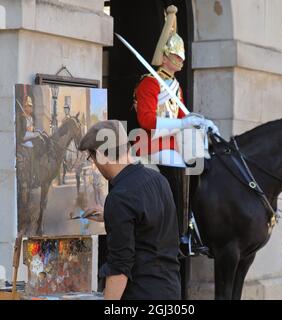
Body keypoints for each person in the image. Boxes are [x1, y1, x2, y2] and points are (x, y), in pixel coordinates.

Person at [133, 5, 219, 255]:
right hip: (152, 142)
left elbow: (182, 116)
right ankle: (176, 230)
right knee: (180, 167)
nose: (181, 61)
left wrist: (200, 122)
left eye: (181, 57)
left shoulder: (174, 85)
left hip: (173, 141)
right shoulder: (149, 83)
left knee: (201, 163)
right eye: (176, 56)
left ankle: (191, 226)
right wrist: (182, 124)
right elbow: (147, 120)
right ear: (166, 56)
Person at [78, 120, 181, 300]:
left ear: (101, 155)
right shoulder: (158, 180)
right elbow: (150, 223)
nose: (94, 164)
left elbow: (119, 267)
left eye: (92, 158)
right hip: (170, 289)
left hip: (141, 293)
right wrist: (109, 215)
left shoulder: (120, 198)